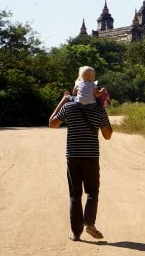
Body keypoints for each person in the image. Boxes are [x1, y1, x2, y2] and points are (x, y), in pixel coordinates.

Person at [49, 88, 113, 242]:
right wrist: (101, 112)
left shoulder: (68, 107)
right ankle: (90, 223)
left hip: (73, 157)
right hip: (91, 156)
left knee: (75, 196)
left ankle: (75, 234)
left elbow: (52, 123)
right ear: (93, 91)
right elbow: (107, 135)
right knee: (92, 192)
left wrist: (63, 101)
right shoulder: (99, 109)